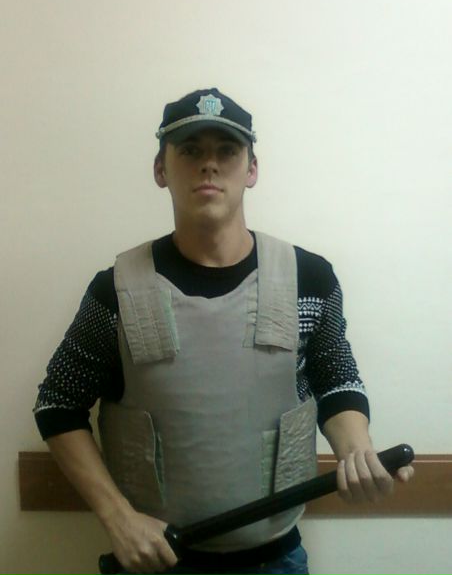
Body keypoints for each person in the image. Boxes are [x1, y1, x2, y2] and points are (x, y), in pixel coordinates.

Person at [34, 88, 414, 575]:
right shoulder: (116, 291)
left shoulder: (309, 279)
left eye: (227, 151)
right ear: (160, 169)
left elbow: (336, 381)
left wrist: (356, 450)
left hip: (276, 559)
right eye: (190, 150)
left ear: (252, 169)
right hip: (157, 563)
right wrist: (118, 518)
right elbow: (57, 405)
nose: (209, 165)